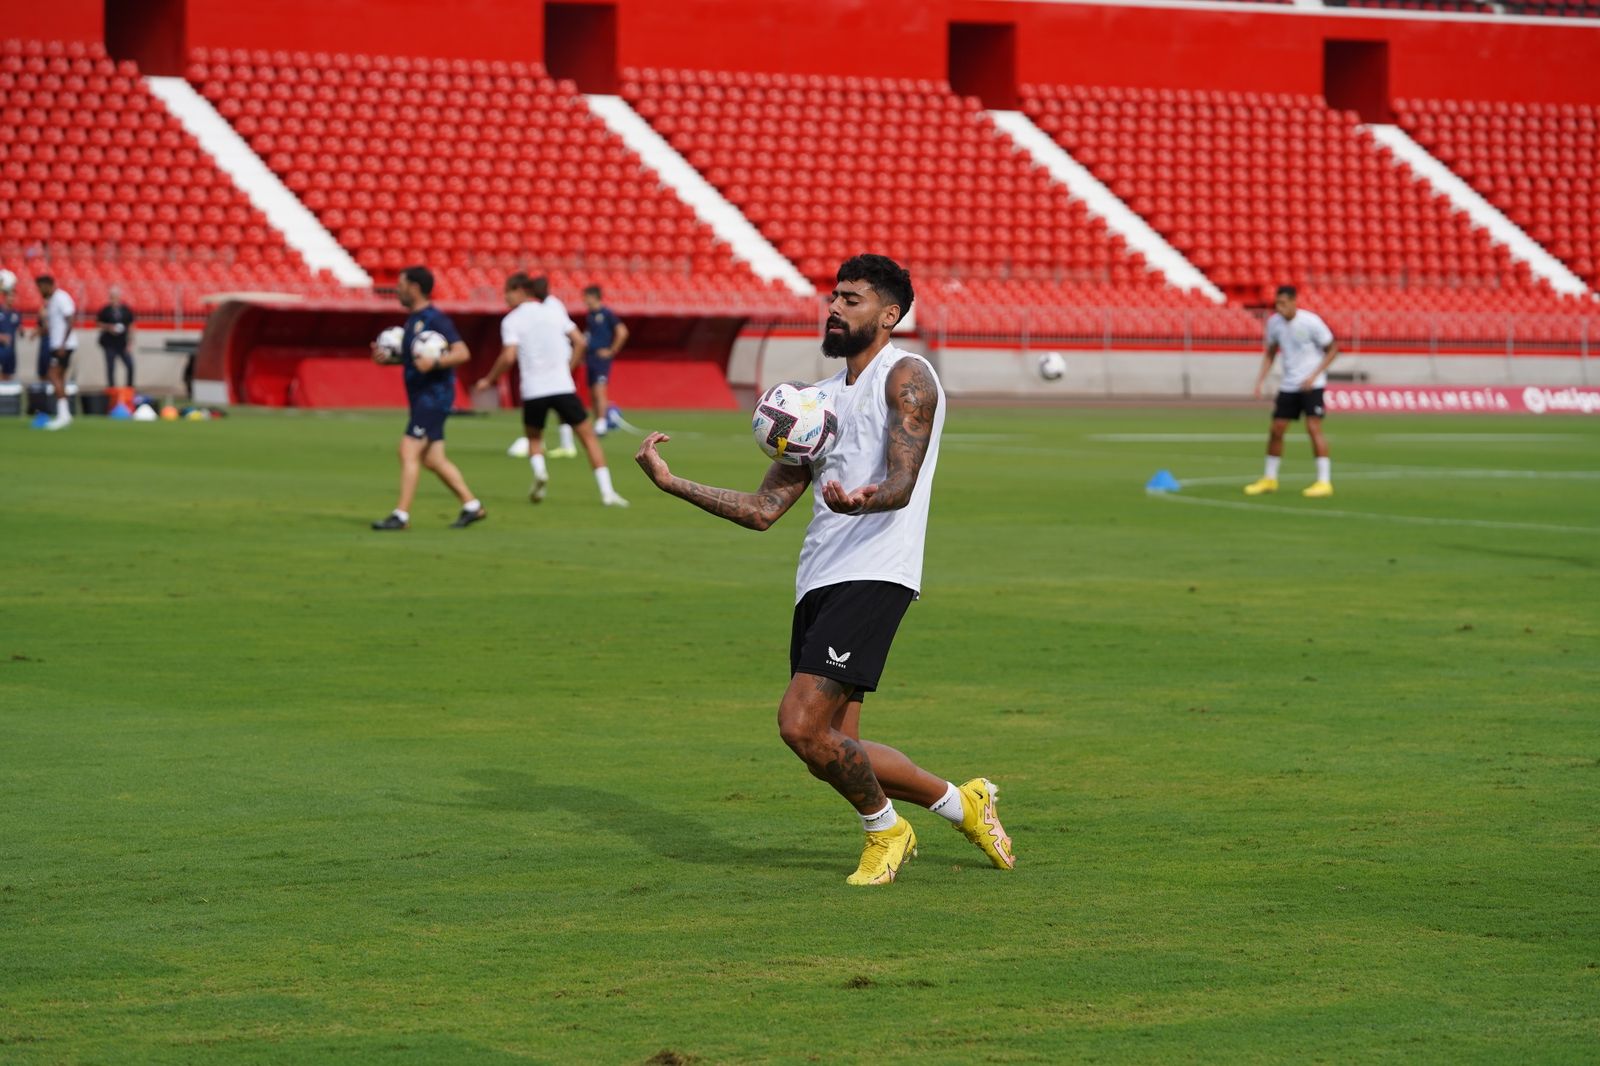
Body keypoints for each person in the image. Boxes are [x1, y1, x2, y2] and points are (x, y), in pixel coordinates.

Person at [634, 253, 1015, 886]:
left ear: (889, 315)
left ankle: (886, 830)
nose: (834, 308)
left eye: (852, 299)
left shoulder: (906, 376)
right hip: (819, 576)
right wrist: (672, 484)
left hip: (879, 569)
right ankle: (962, 801)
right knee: (836, 748)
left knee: (798, 724)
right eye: (833, 297)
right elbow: (762, 510)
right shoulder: (811, 406)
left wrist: (869, 498)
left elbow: (902, 478)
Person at [475, 273, 628, 508]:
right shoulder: (553, 310)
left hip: (533, 389)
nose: (504, 297)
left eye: (507, 291)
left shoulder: (511, 320)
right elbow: (580, 341)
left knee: (534, 438)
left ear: (520, 291)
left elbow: (508, 356)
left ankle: (540, 472)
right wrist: (568, 368)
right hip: (562, 385)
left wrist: (490, 379)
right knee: (588, 438)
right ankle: (607, 492)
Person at [369, 265, 487, 530]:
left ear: (414, 287)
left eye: (401, 284)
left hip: (434, 398)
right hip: (422, 397)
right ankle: (472, 506)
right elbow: (416, 361)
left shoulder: (436, 319)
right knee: (433, 459)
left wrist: (434, 364)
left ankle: (401, 515)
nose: (397, 289)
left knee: (407, 449)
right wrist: (389, 360)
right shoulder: (413, 321)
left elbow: (462, 353)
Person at [1245, 285, 1339, 498]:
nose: (1280, 308)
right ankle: (1269, 479)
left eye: (1284, 304)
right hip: (1289, 384)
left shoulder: (1311, 322)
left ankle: (1324, 482)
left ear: (1294, 302)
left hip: (1311, 384)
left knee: (1313, 427)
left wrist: (1314, 376)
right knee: (1276, 429)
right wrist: (1260, 380)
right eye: (1277, 304)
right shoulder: (1274, 323)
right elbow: (1270, 352)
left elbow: (1333, 349)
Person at [581, 283, 628, 438]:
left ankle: (602, 424)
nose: (584, 300)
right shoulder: (590, 315)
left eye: (586, 297)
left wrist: (611, 350)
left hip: (601, 358)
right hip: (590, 357)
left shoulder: (606, 314)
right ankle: (598, 422)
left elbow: (622, 332)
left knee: (600, 390)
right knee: (592, 392)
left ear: (594, 297)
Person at [35, 275, 77, 430]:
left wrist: (63, 344)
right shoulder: (51, 301)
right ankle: (64, 413)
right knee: (60, 377)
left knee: (53, 375)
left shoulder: (61, 298)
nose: (39, 290)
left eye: (40, 287)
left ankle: (63, 415)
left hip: (63, 346)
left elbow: (70, 319)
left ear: (48, 285)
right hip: (58, 345)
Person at [96, 285, 136, 388]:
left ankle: (129, 387)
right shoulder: (105, 310)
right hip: (109, 343)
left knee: (130, 365)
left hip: (122, 343)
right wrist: (109, 327)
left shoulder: (126, 310)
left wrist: (130, 343)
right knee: (111, 367)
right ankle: (111, 388)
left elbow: (131, 326)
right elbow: (98, 324)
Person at [0, 286, 20, 382]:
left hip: (11, 349)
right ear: (5, 297)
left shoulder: (16, 313)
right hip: (1, 349)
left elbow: (18, 328)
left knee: (8, 375)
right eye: (10, 296)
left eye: (13, 296)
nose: (12, 298)